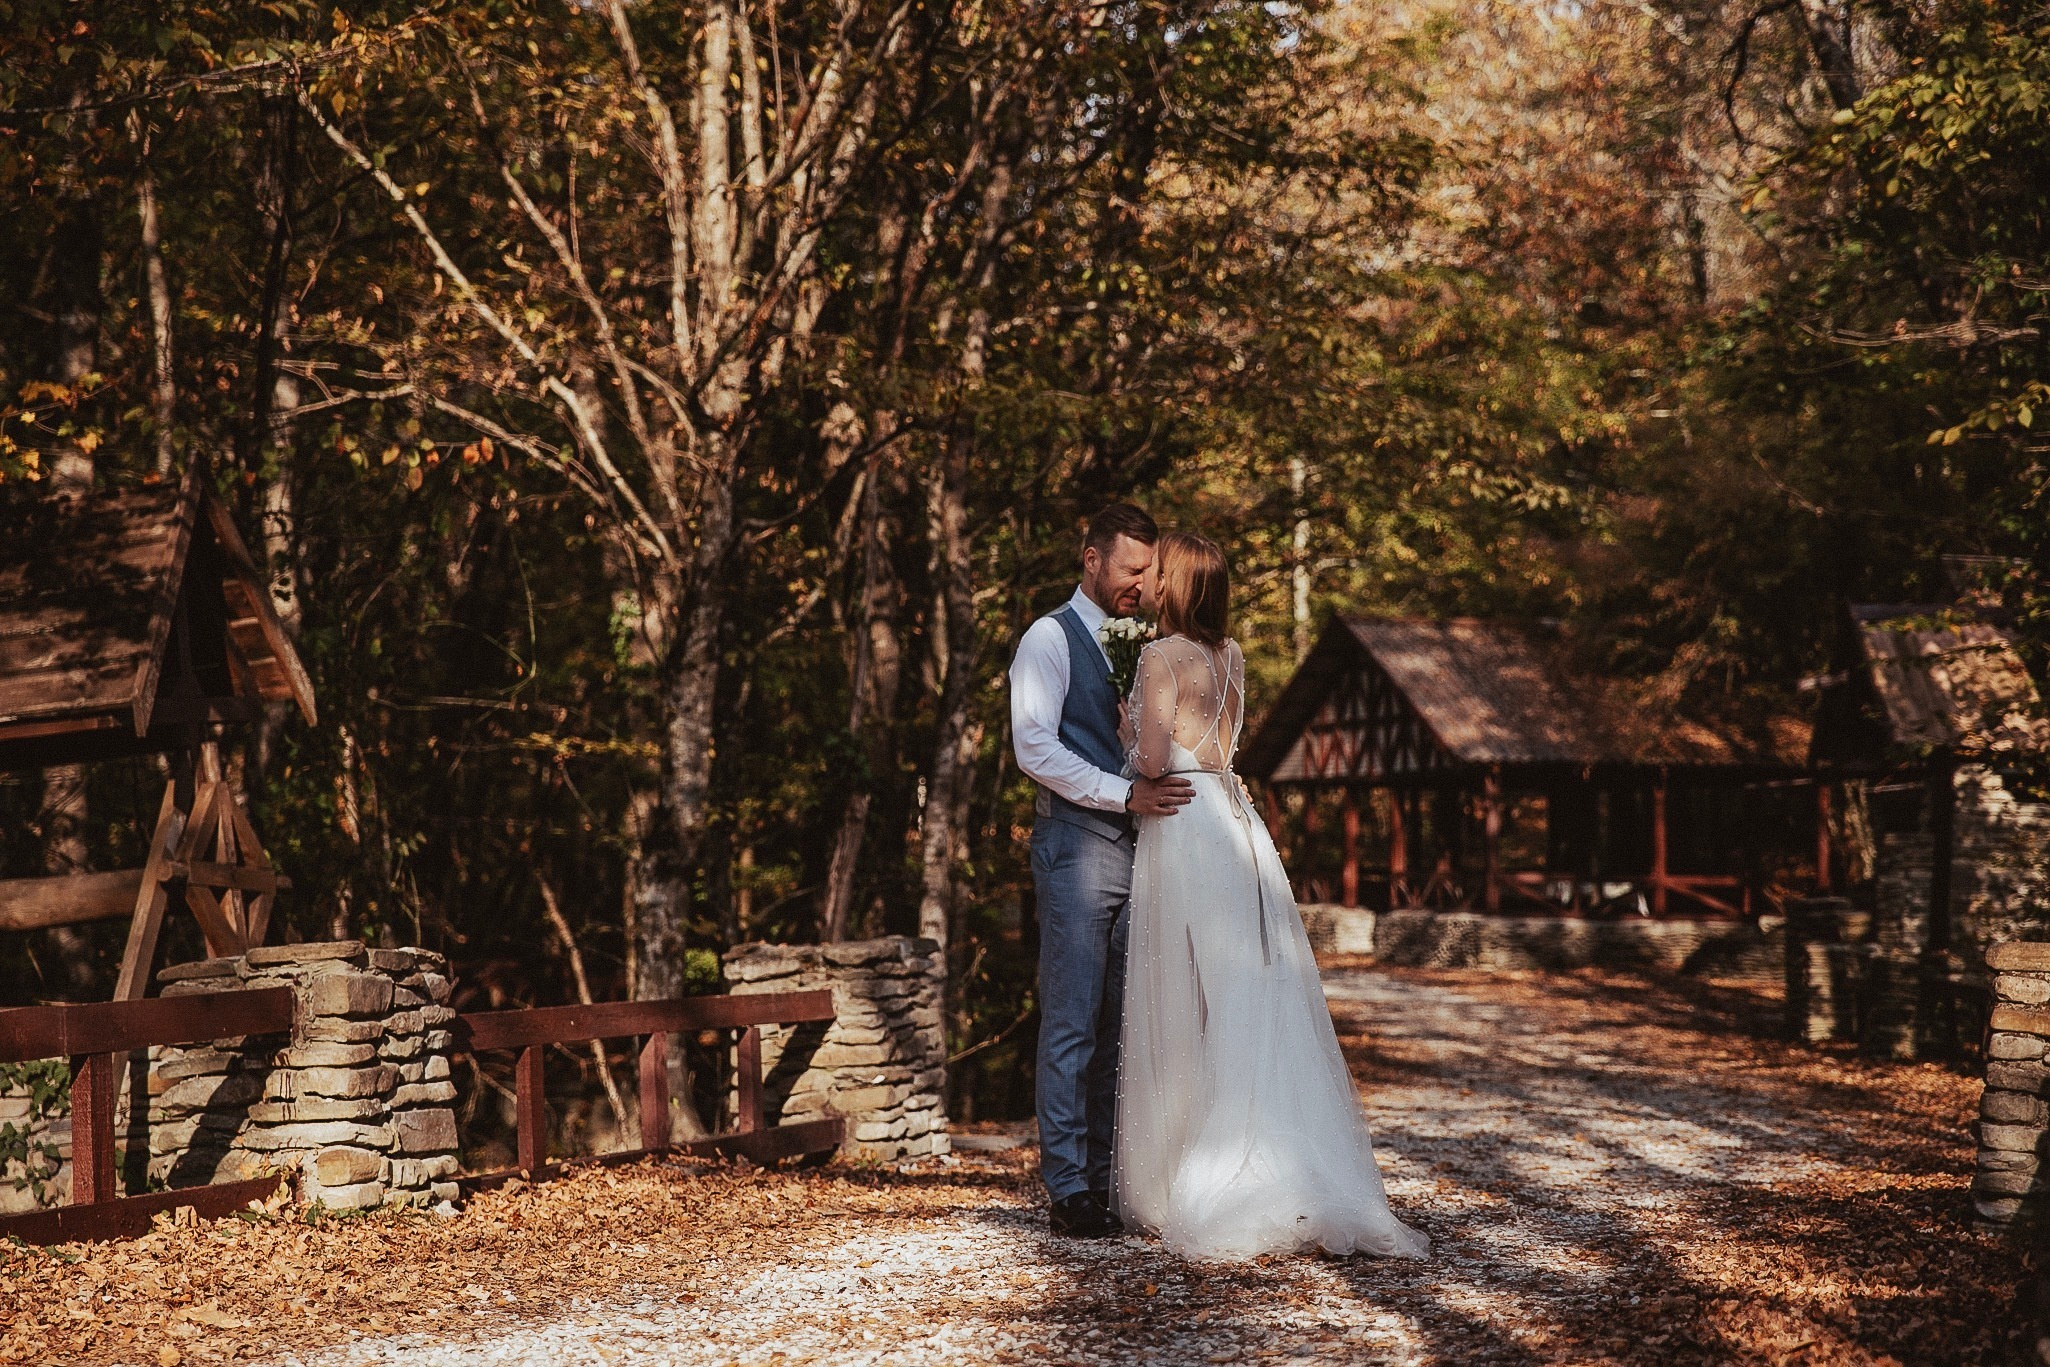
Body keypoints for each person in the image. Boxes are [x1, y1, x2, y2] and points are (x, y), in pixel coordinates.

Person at [1112, 531, 1430, 1260]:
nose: (1152, 578)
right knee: (1244, 993)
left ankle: (1188, 1170)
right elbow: (1224, 742)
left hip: (1185, 826)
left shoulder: (1162, 656)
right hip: (1236, 822)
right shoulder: (1232, 657)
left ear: (1181, 581)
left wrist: (1130, 732)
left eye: (1160, 569)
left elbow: (1157, 760)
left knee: (1183, 993)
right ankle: (1276, 1151)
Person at [1008, 503, 1194, 1238]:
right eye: (1132, 568)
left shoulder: (1149, 643)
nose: (1143, 583)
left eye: (1151, 571)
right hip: (1077, 849)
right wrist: (1125, 792)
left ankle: (1112, 1176)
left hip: (1142, 850)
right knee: (1071, 1020)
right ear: (1092, 560)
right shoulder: (1046, 639)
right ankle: (1068, 1188)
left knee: (1124, 1022)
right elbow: (1033, 747)